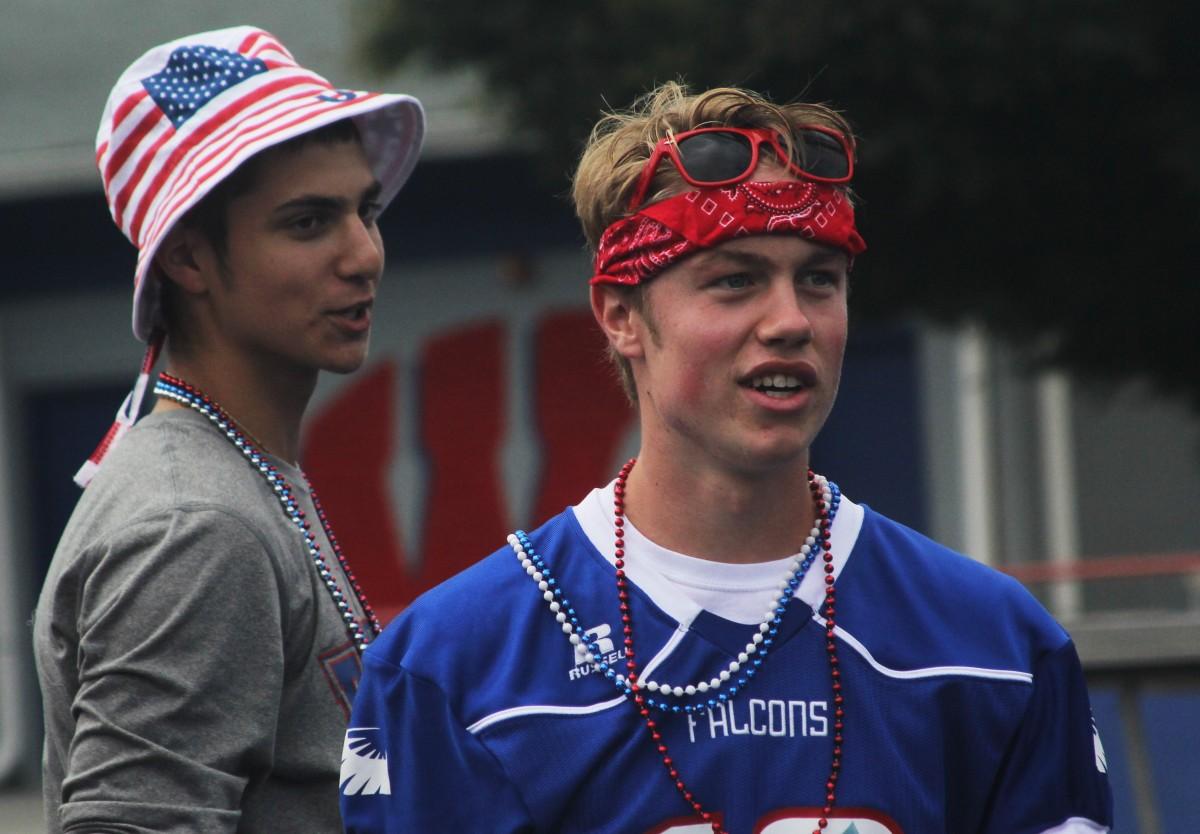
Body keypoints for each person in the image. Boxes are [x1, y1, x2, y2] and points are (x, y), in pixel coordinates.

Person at [340, 82, 1112, 834]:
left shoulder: (996, 647)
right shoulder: (456, 663)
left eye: (819, 280)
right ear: (621, 316)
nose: (790, 321)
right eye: (735, 281)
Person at [32, 26, 424, 833]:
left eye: (366, 210)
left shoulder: (234, 473)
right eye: (309, 223)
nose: (364, 254)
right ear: (187, 259)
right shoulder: (197, 527)